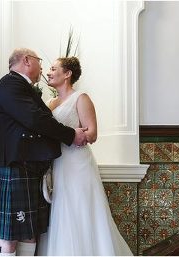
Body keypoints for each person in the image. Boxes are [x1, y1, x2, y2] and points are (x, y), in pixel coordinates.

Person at [0, 48, 89, 256]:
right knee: (10, 236)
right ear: (26, 60)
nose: (43, 68)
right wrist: (70, 135)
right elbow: (36, 120)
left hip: (28, 166)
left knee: (28, 233)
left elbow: (41, 120)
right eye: (40, 61)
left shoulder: (23, 87)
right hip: (16, 166)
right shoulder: (10, 83)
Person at [37, 57, 133, 255]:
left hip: (77, 163)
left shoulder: (81, 98)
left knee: (80, 209)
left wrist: (71, 135)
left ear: (67, 74)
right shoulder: (50, 102)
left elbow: (92, 133)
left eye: (54, 69)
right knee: (62, 211)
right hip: (57, 163)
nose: (49, 72)